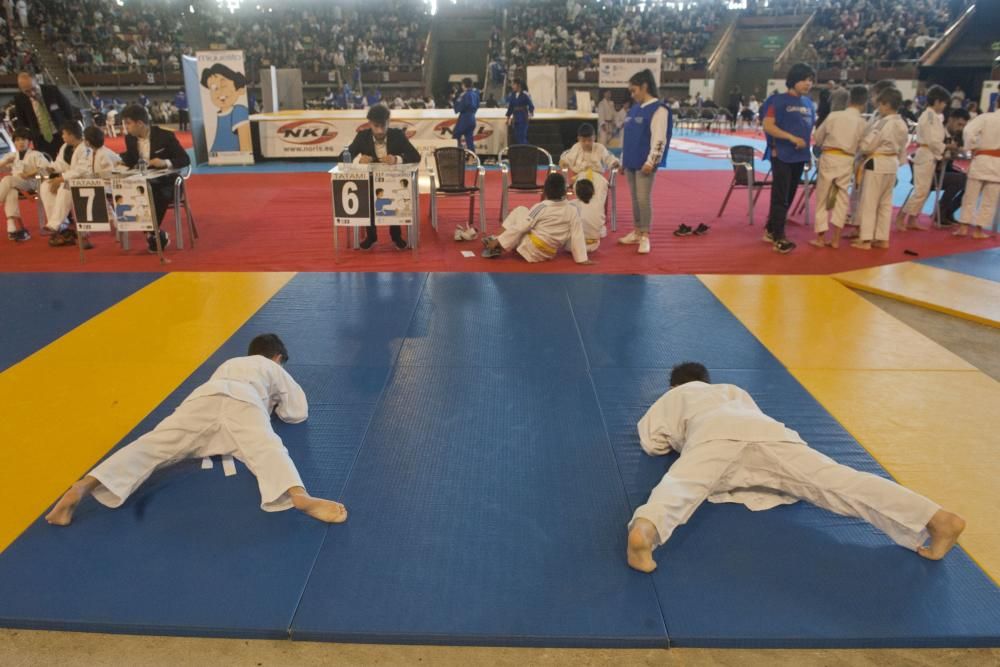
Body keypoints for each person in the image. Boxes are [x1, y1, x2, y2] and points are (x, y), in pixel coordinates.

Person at [626, 362, 967, 574]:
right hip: (769, 433)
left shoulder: (674, 397)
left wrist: (677, 441)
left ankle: (645, 530)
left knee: (681, 487)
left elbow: (651, 442)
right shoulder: (731, 390)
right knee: (839, 482)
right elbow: (753, 421)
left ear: (675, 385)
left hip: (713, 435)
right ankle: (935, 518)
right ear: (707, 379)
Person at [45, 334, 348, 527]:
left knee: (152, 446)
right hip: (244, 402)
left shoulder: (229, 364)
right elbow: (297, 412)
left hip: (201, 400)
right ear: (278, 357)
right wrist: (277, 407)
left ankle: (83, 486)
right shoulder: (270, 367)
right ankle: (299, 496)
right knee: (267, 448)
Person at [346, 104, 421, 250]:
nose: (380, 130)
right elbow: (342, 158)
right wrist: (358, 161)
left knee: (395, 196)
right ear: (369, 124)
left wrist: (397, 159)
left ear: (389, 122)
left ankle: (396, 235)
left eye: (383, 126)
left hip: (393, 181)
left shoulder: (398, 135)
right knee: (367, 198)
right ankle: (371, 236)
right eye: (376, 126)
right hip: (369, 181)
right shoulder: (362, 137)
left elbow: (415, 156)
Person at [119, 104, 192, 253]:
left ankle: (151, 232)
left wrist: (164, 162)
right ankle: (154, 234)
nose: (126, 127)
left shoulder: (165, 136)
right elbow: (132, 159)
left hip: (167, 183)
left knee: (153, 192)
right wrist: (121, 161)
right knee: (123, 191)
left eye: (128, 123)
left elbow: (185, 159)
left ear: (139, 123)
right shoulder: (130, 139)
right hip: (142, 182)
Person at [761, 63, 816, 254]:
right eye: (804, 79)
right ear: (793, 80)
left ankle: (770, 228)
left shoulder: (809, 104)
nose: (808, 84)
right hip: (782, 155)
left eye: (810, 80)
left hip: (800, 156)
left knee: (790, 195)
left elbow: (809, 130)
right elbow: (768, 125)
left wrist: (808, 153)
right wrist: (790, 138)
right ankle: (779, 236)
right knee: (780, 196)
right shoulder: (777, 101)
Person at [481, 172, 592, 265]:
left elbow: (521, 227)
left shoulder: (541, 207)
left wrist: (499, 241)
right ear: (564, 191)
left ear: (545, 191)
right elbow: (578, 234)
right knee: (523, 212)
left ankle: (497, 242)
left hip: (529, 249)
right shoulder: (572, 210)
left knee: (520, 212)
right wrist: (582, 259)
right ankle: (499, 240)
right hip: (548, 253)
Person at [619, 69, 670, 255]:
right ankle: (637, 230)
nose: (632, 95)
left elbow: (659, 139)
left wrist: (652, 161)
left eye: (634, 90)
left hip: (645, 163)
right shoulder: (634, 109)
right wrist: (623, 160)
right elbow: (628, 137)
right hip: (631, 160)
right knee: (634, 198)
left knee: (643, 199)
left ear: (645, 87)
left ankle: (645, 236)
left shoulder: (659, 110)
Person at [44, 124, 120, 249]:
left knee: (70, 188)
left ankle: (57, 224)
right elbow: (85, 169)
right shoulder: (92, 153)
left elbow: (113, 170)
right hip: (93, 183)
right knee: (70, 188)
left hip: (106, 185)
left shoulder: (104, 153)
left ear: (88, 141)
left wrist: (63, 178)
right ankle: (62, 225)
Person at [810, 85, 868, 249]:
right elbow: (864, 146)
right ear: (864, 104)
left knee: (823, 197)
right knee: (842, 198)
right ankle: (835, 239)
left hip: (830, 156)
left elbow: (818, 137)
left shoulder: (834, 116)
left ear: (849, 99)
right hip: (847, 159)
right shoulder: (863, 122)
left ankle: (821, 238)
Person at [851, 88, 908, 250]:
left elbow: (868, 145)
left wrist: (860, 146)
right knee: (885, 203)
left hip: (877, 162)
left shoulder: (884, 122)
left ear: (887, 105)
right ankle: (882, 238)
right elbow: (904, 146)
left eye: (881, 105)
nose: (879, 109)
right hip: (892, 164)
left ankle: (866, 239)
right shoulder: (902, 123)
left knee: (869, 201)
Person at [894, 85, 951, 232]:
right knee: (920, 191)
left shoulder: (934, 116)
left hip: (930, 154)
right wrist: (945, 148)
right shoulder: (929, 115)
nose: (944, 106)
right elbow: (932, 140)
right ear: (937, 101)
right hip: (925, 154)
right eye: (944, 102)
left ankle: (913, 219)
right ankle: (901, 216)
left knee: (924, 190)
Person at [952, 106, 999, 239]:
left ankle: (963, 227)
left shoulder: (985, 117)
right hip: (998, 164)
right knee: (990, 199)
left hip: (981, 159)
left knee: (970, 195)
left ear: (997, 103)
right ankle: (978, 230)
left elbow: (968, 130)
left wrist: (971, 146)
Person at [0, 127, 49, 242]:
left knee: (7, 180)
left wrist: (30, 173)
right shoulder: (11, 156)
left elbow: (47, 169)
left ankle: (11, 223)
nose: (20, 142)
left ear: (29, 141)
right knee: (10, 191)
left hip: (31, 183)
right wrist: (6, 162)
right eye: (17, 140)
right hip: (16, 184)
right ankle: (11, 223)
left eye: (23, 139)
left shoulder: (35, 154)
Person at [12, 71, 77, 158]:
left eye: (33, 89)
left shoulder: (52, 90)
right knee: (46, 164)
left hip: (61, 134)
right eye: (27, 91)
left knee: (67, 160)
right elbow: (22, 121)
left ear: (37, 81)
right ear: (21, 89)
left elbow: (68, 110)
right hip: (40, 139)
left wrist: (71, 131)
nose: (32, 93)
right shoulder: (19, 99)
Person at [559, 123, 620, 214]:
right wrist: (564, 162)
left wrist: (614, 162)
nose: (587, 143)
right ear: (579, 139)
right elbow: (567, 159)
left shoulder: (600, 148)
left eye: (590, 140)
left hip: (597, 176)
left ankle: (597, 212)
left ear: (594, 137)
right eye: (583, 141)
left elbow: (608, 158)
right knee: (581, 187)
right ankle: (583, 212)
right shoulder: (576, 147)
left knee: (601, 186)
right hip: (581, 176)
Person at [200, 64, 251, 154]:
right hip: (216, 161)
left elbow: (246, 146)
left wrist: (245, 158)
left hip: (235, 160)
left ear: (238, 88)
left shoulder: (239, 111)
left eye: (224, 85)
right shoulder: (214, 116)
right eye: (214, 88)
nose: (219, 91)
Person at [571, 178, 604, 253]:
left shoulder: (572, 204)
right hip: (594, 245)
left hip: (574, 245)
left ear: (576, 192)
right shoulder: (599, 204)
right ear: (593, 192)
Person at [453, 77, 480, 152]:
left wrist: (457, 107)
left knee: (456, 135)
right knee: (469, 138)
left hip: (464, 118)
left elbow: (462, 105)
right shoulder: (475, 94)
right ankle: (472, 157)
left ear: (463, 85)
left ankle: (458, 153)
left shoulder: (465, 94)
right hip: (472, 117)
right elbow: (477, 105)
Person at [506, 78, 534, 146]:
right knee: (517, 136)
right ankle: (522, 151)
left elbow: (531, 105)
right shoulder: (512, 95)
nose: (512, 86)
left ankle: (527, 150)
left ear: (519, 85)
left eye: (514, 84)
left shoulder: (525, 94)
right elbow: (510, 107)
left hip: (523, 117)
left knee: (522, 136)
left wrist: (530, 113)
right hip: (515, 118)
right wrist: (508, 117)